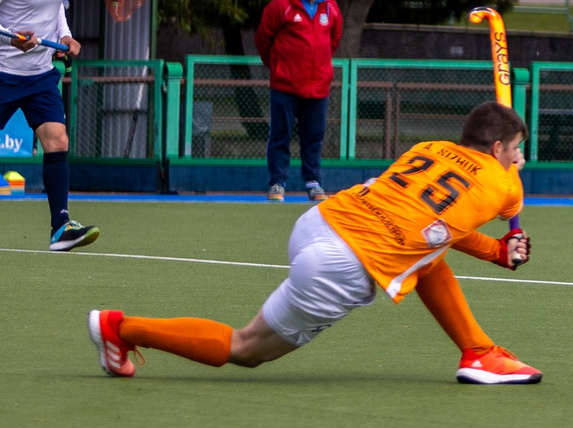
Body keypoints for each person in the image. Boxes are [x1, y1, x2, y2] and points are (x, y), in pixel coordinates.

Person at [88, 100, 543, 384]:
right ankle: (120, 329)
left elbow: (436, 226)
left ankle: (478, 352)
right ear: (499, 147)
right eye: (517, 148)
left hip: (320, 221)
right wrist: (508, 238)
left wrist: (495, 252)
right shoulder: (503, 183)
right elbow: (508, 201)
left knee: (428, 255)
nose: (520, 157)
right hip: (341, 263)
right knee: (246, 349)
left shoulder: (424, 148)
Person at [0, 0, 98, 251]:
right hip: (4, 72)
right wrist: (13, 38)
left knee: (57, 140)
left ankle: (60, 228)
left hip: (41, 73)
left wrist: (65, 36)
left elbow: (56, 10)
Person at [255, 0, 343, 200]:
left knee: (314, 136)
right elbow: (263, 38)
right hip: (285, 85)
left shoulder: (331, 8)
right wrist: (275, 65)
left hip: (318, 87)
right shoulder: (281, 6)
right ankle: (277, 183)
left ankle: (314, 182)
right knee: (280, 134)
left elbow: (333, 41)